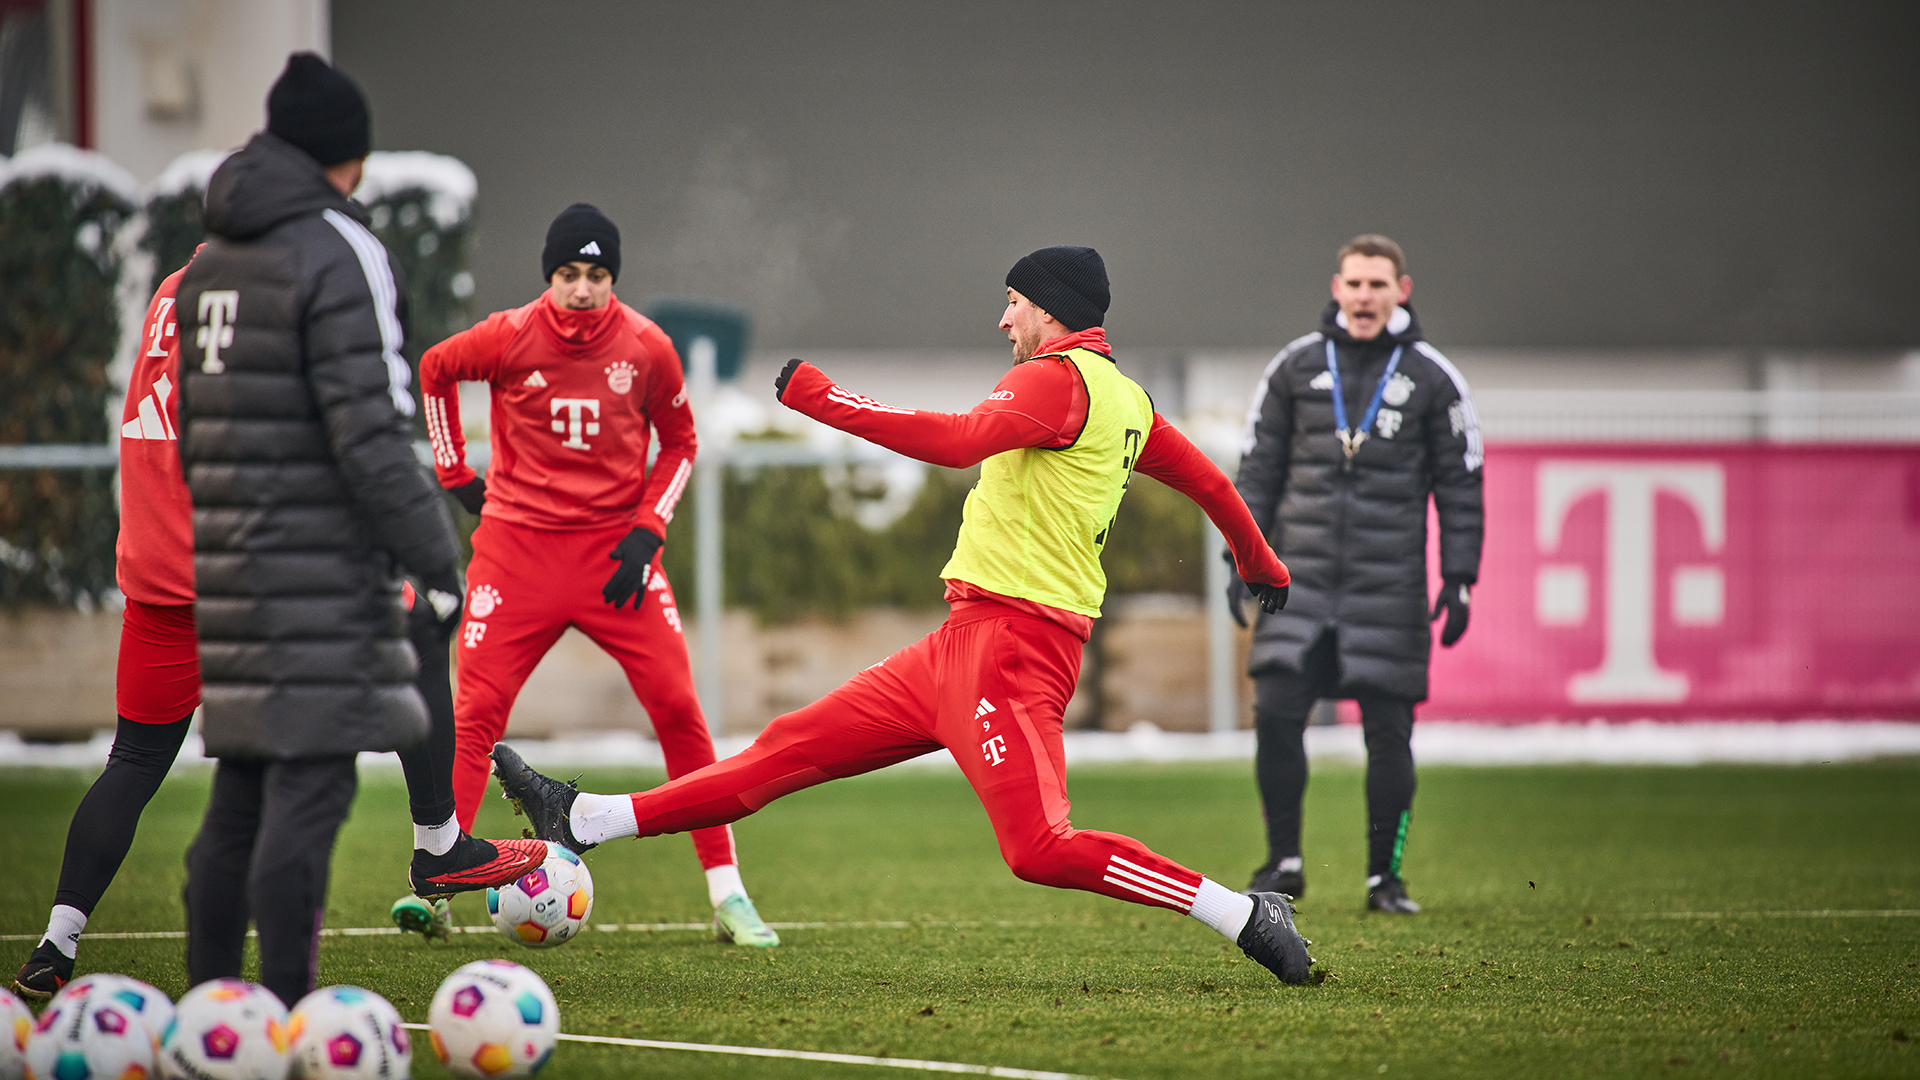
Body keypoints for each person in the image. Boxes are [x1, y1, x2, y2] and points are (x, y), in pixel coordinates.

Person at [493, 245, 1319, 985]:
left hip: (1015, 653)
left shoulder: (1056, 379)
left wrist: (824, 401)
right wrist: (1259, 561)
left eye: (1013, 303)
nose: (1004, 319)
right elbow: (1210, 480)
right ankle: (588, 817)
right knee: (782, 751)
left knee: (1039, 848)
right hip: (960, 645)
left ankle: (1245, 915)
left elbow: (960, 441)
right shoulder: (1126, 397)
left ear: (1052, 308)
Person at [11, 228, 536, 998]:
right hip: (238, 571)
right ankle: (437, 844)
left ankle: (58, 939)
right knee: (408, 644)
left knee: (134, 761)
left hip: (158, 570)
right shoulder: (247, 307)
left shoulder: (170, 295)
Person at [170, 53, 543, 1007]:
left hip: (229, 558)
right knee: (312, 788)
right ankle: (287, 1016)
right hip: (322, 570)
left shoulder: (210, 259)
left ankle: (211, 1020)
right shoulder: (338, 248)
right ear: (349, 156)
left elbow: (196, 428)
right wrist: (436, 556)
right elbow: (372, 429)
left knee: (242, 792)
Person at [418, 203, 778, 947]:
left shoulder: (647, 347)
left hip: (615, 557)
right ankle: (436, 886)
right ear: (549, 275)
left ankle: (727, 894)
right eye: (568, 274)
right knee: (475, 712)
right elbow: (434, 371)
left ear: (613, 277)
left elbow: (680, 444)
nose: (582, 289)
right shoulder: (510, 335)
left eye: (597, 275)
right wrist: (454, 474)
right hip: (516, 552)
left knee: (680, 708)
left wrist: (648, 530)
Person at [1229, 234, 1483, 914]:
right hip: (1297, 583)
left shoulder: (1432, 377)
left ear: (1402, 291)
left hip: (1387, 587)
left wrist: (1459, 576)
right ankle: (1283, 862)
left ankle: (1384, 878)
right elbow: (1258, 471)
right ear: (1335, 288)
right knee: (1277, 716)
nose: (1364, 297)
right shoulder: (1295, 367)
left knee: (1388, 733)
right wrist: (1239, 559)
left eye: (1378, 285)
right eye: (1354, 284)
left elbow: (1462, 483)